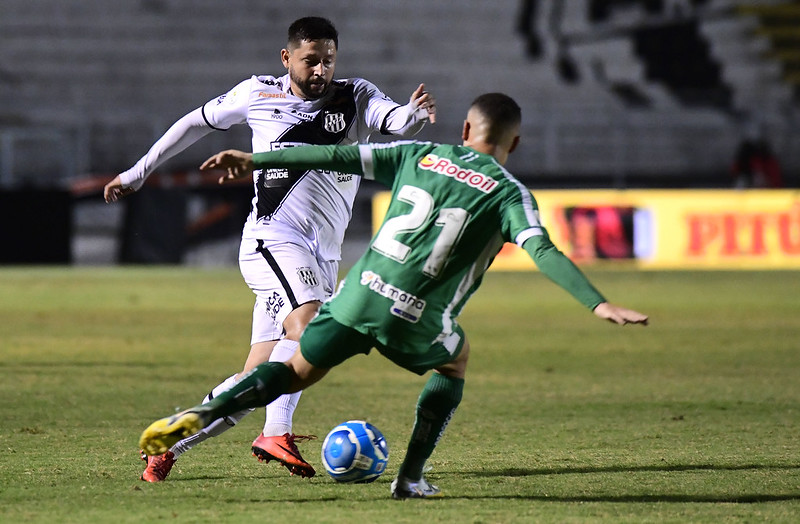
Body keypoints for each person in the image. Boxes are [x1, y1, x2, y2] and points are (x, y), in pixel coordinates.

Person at [138, 93, 648, 499]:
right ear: (514, 144)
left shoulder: (418, 154)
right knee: (456, 361)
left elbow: (333, 154)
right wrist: (598, 303)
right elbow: (545, 251)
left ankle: (204, 415)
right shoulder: (509, 193)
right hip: (414, 316)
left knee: (292, 369)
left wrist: (259, 156)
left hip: (357, 294)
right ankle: (409, 479)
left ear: (466, 131)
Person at [104, 16, 436, 482]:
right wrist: (138, 172)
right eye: (310, 60)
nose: (320, 70)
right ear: (287, 58)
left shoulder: (354, 94)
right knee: (315, 327)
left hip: (321, 255)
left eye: (328, 61)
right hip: (273, 240)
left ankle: (170, 443)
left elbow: (392, 119)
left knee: (262, 376)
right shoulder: (258, 92)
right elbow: (193, 124)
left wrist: (412, 115)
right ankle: (276, 432)